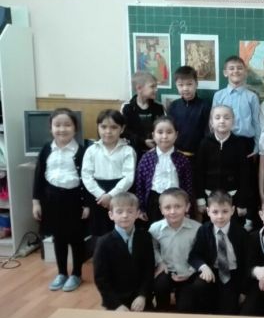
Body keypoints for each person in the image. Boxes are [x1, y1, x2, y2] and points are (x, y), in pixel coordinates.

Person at [32, 108, 89, 292]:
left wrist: (87, 204)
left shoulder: (82, 151)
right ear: (51, 128)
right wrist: (36, 201)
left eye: (67, 125)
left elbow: (87, 180)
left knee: (76, 238)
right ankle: (62, 272)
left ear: (75, 128)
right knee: (59, 238)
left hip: (74, 200)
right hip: (51, 200)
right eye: (57, 125)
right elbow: (38, 176)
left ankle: (77, 273)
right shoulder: (46, 149)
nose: (62, 129)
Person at [212, 56, 261, 231]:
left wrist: (257, 146)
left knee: (246, 179)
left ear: (245, 72)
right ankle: (225, 216)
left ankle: (247, 218)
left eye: (239, 68)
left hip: (246, 143)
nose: (235, 71)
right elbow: (213, 120)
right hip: (224, 141)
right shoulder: (219, 95)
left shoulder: (252, 96)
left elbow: (257, 122)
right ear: (225, 72)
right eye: (231, 68)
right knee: (226, 177)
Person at [188, 191, 249, 314]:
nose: (220, 216)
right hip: (212, 272)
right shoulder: (204, 230)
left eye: (225, 211)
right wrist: (203, 267)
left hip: (232, 275)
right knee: (199, 288)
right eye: (215, 212)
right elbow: (194, 255)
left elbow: (247, 263)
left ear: (232, 210)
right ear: (208, 211)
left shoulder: (241, 233)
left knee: (228, 310)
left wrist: (244, 290)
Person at [93, 193, 155, 311]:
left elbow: (148, 269)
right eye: (119, 212)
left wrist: (142, 295)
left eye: (130, 211)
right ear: (111, 215)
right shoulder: (103, 242)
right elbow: (101, 279)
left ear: (137, 214)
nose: (125, 215)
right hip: (116, 301)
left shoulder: (145, 237)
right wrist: (116, 304)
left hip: (141, 298)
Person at [82, 109, 136, 237]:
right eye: (103, 127)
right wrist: (101, 195)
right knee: (100, 233)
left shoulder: (128, 151)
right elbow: (86, 175)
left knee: (121, 230)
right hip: (98, 196)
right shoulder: (91, 150)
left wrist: (111, 195)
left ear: (122, 129)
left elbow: (129, 177)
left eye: (114, 127)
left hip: (121, 193)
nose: (108, 131)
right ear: (98, 127)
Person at [195, 105, 251, 220]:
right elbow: (198, 172)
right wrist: (200, 199)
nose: (222, 121)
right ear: (211, 122)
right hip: (209, 196)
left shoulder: (239, 144)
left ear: (233, 122)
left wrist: (242, 203)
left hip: (232, 197)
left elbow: (245, 175)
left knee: (233, 227)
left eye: (226, 117)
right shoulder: (205, 143)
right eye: (217, 117)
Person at [149, 188, 200, 312]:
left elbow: (200, 252)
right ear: (161, 209)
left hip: (188, 272)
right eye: (167, 207)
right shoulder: (155, 228)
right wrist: (160, 262)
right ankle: (162, 309)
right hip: (166, 270)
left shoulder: (197, 228)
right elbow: (152, 247)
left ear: (187, 207)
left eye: (178, 206)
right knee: (160, 285)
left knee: (185, 308)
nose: (172, 211)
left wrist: (191, 271)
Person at [136, 116, 193, 224]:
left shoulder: (182, 159)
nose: (164, 136)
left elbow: (188, 185)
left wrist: (187, 208)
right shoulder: (146, 158)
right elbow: (140, 185)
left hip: (177, 200)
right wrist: (141, 207)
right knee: (154, 230)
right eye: (160, 132)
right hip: (153, 201)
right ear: (153, 135)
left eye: (169, 132)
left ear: (176, 135)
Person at [167, 65, 210, 159]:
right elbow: (169, 129)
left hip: (198, 155)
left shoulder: (205, 106)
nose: (185, 88)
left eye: (189, 84)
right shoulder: (173, 106)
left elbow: (207, 132)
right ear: (176, 86)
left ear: (196, 84)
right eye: (181, 85)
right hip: (176, 154)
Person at [121, 71, 165, 161]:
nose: (156, 89)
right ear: (139, 88)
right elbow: (124, 131)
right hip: (133, 153)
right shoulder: (127, 107)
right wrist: (143, 141)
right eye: (152, 86)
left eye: (156, 86)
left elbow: (163, 128)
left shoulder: (159, 107)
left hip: (155, 152)